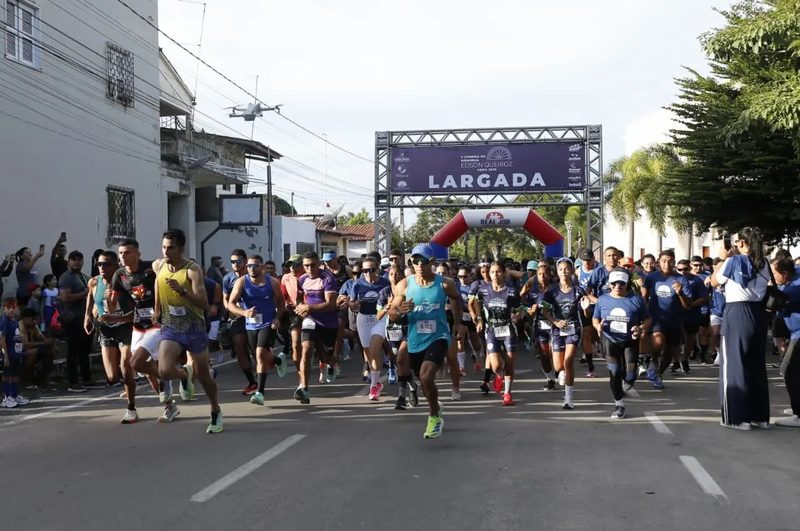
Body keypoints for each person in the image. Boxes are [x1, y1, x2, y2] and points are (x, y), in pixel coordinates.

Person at [389, 244, 464, 439]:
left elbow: (456, 299)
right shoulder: (405, 284)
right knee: (423, 380)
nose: (419, 265)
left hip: (438, 336)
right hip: (415, 339)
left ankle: (433, 417)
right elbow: (392, 314)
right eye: (415, 261)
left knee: (425, 376)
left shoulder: (445, 283)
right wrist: (400, 311)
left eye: (423, 261)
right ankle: (435, 404)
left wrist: (457, 323)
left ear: (432, 262)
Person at [153, 229, 222, 433]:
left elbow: (203, 302)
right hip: (171, 326)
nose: (166, 251)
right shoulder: (159, 265)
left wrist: (182, 291)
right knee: (164, 370)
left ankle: (215, 410)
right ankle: (184, 375)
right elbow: (158, 283)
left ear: (181, 248)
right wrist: (157, 310)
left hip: (194, 328)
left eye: (171, 247)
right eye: (164, 247)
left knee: (204, 376)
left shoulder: (192, 270)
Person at [710, 227, 771, 430]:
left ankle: (737, 418)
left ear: (742, 243)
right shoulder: (764, 263)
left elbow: (713, 281)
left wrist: (721, 259)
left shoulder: (733, 261)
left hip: (737, 312)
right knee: (756, 365)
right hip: (759, 313)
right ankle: (759, 416)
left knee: (734, 366)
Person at [109, 239, 175, 424]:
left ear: (138, 254)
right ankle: (169, 403)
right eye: (121, 253)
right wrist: (108, 303)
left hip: (159, 322)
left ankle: (167, 377)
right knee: (146, 371)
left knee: (135, 362)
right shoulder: (119, 275)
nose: (123, 256)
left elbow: (163, 266)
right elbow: (112, 306)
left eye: (127, 252)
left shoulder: (150, 268)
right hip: (139, 325)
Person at [228, 255, 286, 406]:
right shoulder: (242, 282)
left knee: (260, 354)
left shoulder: (272, 282)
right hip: (251, 324)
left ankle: (260, 392)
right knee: (259, 356)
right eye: (249, 266)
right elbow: (231, 304)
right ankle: (278, 360)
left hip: (268, 322)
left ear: (262, 267)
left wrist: (277, 317)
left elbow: (281, 301)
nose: (252, 269)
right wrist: (244, 313)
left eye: (255, 266)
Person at [593, 268, 651, 419]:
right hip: (609, 339)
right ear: (609, 284)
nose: (618, 286)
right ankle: (619, 404)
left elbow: (647, 319)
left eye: (621, 283)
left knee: (630, 376)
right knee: (614, 372)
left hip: (629, 340)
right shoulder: (603, 299)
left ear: (627, 284)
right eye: (614, 283)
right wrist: (597, 326)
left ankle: (625, 385)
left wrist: (640, 328)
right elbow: (595, 318)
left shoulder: (636, 299)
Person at [473, 261, 525, 406]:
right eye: (492, 272)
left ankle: (507, 393)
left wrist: (518, 315)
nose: (495, 275)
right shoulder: (483, 290)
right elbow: (474, 302)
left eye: (498, 272)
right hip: (492, 329)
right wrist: (478, 318)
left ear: (504, 273)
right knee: (495, 366)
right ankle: (499, 376)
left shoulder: (511, 291)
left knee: (509, 363)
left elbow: (520, 308)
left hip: (508, 328)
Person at [543, 258, 590, 409]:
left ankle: (568, 398)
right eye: (561, 269)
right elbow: (544, 310)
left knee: (568, 361)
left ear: (571, 271)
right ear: (557, 272)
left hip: (574, 328)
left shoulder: (578, 290)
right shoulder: (552, 290)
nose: (564, 272)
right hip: (557, 330)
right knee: (558, 366)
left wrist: (586, 308)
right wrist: (555, 321)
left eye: (567, 269)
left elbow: (586, 313)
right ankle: (561, 373)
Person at [642, 250, 692, 390]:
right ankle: (653, 362)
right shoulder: (652, 277)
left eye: (670, 261)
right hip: (656, 317)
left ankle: (658, 373)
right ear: (659, 262)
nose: (667, 264)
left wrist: (680, 292)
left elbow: (688, 305)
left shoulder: (681, 279)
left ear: (674, 262)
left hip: (674, 320)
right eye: (664, 261)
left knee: (670, 353)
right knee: (658, 340)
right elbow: (644, 297)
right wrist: (641, 314)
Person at [294, 251, 339, 404]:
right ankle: (304, 388)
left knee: (327, 357)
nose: (309, 268)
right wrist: (299, 308)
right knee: (306, 350)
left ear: (319, 264)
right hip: (310, 320)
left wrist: (309, 307)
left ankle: (330, 364)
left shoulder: (327, 278)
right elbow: (300, 298)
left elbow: (331, 304)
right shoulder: (301, 279)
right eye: (306, 265)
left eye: (313, 265)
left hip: (328, 322)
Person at [85, 251, 132, 392]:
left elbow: (139, 306)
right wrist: (87, 315)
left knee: (126, 367)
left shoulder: (126, 282)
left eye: (106, 264)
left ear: (116, 265)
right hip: (106, 329)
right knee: (112, 377)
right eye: (99, 264)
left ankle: (130, 388)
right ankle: (128, 378)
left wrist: (119, 317)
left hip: (125, 327)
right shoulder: (94, 281)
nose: (102, 268)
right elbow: (90, 296)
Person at [350, 256, 391, 400]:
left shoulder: (385, 283)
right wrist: (353, 305)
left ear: (378, 268)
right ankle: (377, 381)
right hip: (363, 319)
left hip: (380, 319)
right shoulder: (358, 284)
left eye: (372, 269)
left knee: (374, 349)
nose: (368, 273)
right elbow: (352, 302)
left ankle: (374, 385)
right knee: (368, 353)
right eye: (365, 270)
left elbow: (392, 300)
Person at [378, 263, 417, 410]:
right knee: (400, 364)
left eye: (397, 274)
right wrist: (388, 308)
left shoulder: (410, 291)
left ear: (403, 276)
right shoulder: (384, 293)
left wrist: (403, 310)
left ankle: (401, 396)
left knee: (401, 359)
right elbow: (378, 316)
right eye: (391, 274)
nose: (394, 277)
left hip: (408, 329)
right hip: (391, 331)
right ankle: (412, 386)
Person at [58, 250, 100, 392]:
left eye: (79, 259)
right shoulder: (66, 277)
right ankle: (73, 382)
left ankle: (86, 379)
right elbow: (65, 297)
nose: (76, 262)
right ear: (69, 261)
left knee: (85, 350)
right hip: (72, 318)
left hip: (85, 318)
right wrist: (86, 293)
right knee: (73, 351)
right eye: (73, 259)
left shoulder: (83, 276)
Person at [223, 249, 259, 395]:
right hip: (237, 316)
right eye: (232, 262)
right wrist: (231, 309)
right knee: (239, 345)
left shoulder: (253, 276)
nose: (235, 264)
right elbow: (225, 300)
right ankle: (252, 382)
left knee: (257, 348)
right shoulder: (227, 279)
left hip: (255, 315)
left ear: (245, 262)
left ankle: (273, 362)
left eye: (238, 261)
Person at [772, 257, 800, 427]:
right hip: (795, 334)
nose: (773, 277)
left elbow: (773, 303)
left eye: (775, 273)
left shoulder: (793, 290)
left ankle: (798, 414)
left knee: (789, 370)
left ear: (785, 273)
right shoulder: (793, 278)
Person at [523, 263, 557, 390]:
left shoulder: (556, 288)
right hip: (540, 325)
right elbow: (529, 309)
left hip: (555, 324)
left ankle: (559, 371)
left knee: (554, 352)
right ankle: (550, 379)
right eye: (540, 274)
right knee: (544, 354)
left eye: (545, 274)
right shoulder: (533, 291)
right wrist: (531, 310)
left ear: (550, 275)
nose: (542, 276)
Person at [0, 299, 31, 407]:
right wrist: (5, 355)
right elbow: (2, 338)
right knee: (7, 375)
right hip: (9, 353)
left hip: (16, 353)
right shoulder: (4, 321)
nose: (11, 310)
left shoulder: (15, 321)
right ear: (4, 309)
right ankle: (6, 397)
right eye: (8, 308)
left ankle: (14, 395)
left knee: (15, 375)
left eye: (13, 307)